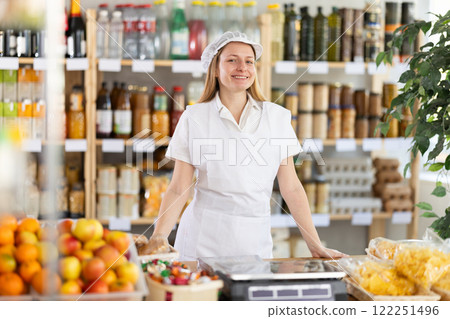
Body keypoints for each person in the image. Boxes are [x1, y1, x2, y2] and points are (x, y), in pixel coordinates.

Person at [141, 31, 346, 260]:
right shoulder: (194, 117)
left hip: (254, 244)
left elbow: (292, 188)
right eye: (232, 60)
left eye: (249, 61)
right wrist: (158, 237)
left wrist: (315, 245)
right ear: (215, 69)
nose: (242, 67)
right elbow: (179, 187)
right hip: (201, 243)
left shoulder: (276, 118)